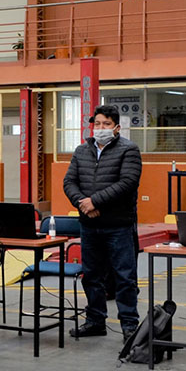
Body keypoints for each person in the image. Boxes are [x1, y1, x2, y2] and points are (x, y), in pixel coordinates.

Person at [62, 104, 143, 338]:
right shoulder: (81, 151)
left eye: (106, 124)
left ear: (116, 127)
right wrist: (83, 204)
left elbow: (127, 183)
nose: (100, 128)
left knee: (124, 277)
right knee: (92, 275)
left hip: (118, 225)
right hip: (89, 225)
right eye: (97, 124)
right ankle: (95, 320)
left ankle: (129, 326)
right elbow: (69, 182)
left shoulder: (129, 150)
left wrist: (95, 201)